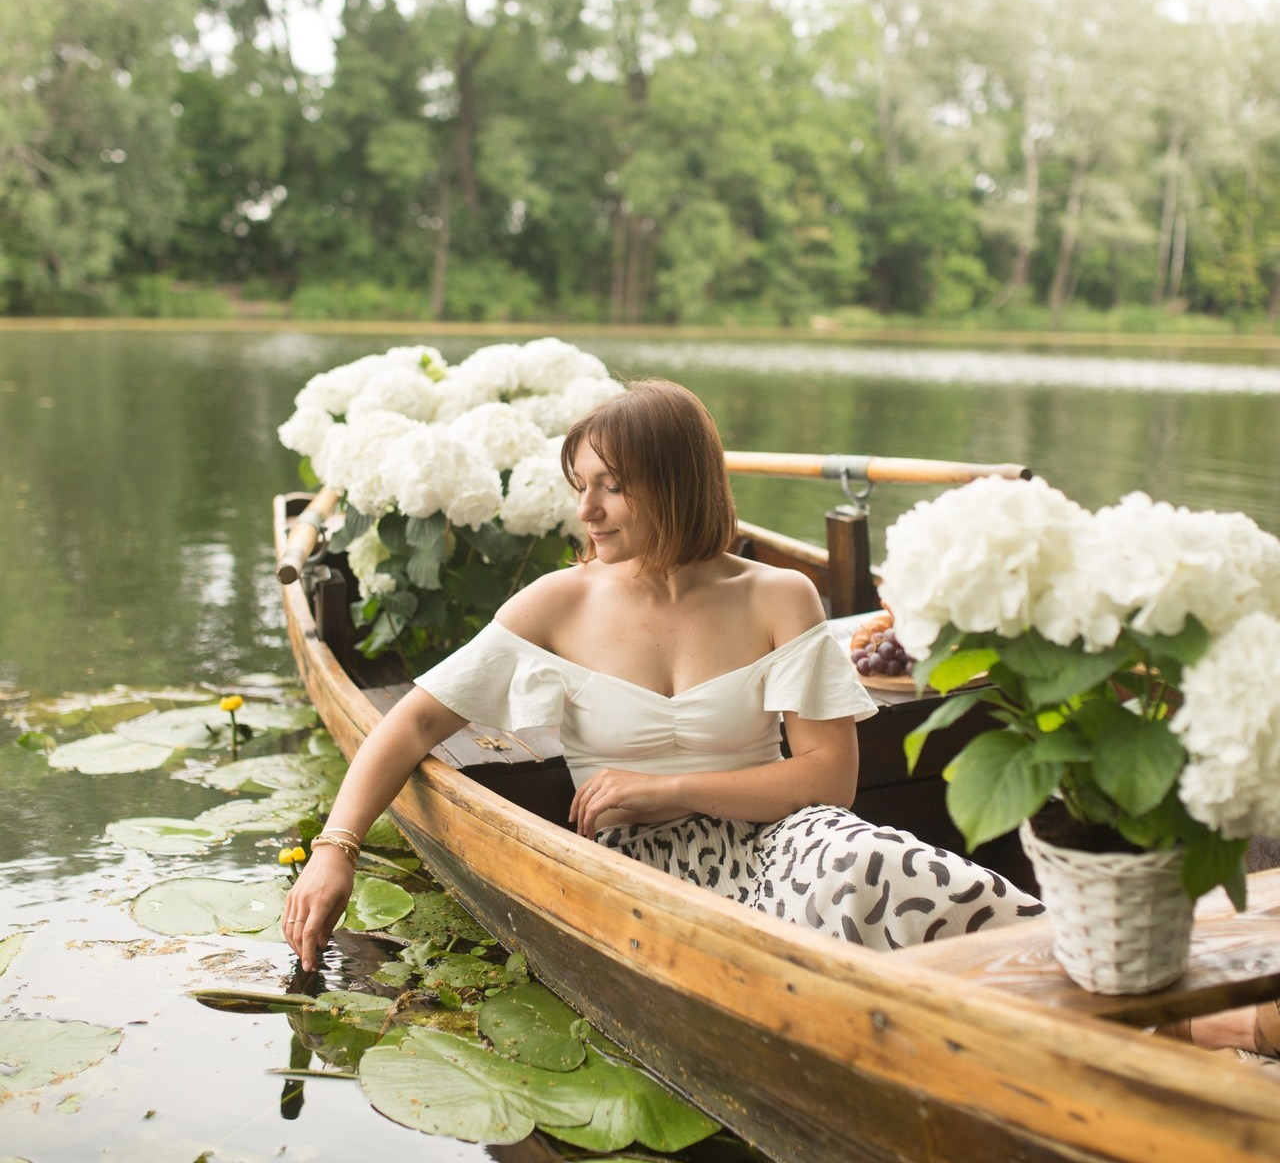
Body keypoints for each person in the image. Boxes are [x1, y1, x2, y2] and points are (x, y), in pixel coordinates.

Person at [282, 378, 1276, 1062]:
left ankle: (1165, 1016)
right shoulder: (555, 604)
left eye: (609, 485)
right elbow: (409, 724)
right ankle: (1160, 1033)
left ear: (674, 480)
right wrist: (334, 845)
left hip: (778, 834)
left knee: (870, 860)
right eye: (577, 483)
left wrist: (666, 783)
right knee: (851, 884)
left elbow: (825, 781)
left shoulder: (775, 598)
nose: (585, 509)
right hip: (635, 870)